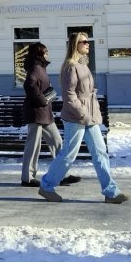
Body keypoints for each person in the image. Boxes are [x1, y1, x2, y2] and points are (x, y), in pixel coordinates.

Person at [37, 32, 129, 204]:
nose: (88, 44)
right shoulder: (71, 67)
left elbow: (86, 91)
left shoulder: (83, 65)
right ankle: (47, 186)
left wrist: (92, 109)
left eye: (88, 41)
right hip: (76, 117)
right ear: (75, 45)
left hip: (89, 116)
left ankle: (111, 192)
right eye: (84, 41)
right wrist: (82, 113)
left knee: (100, 152)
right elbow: (69, 95)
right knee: (69, 154)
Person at [20, 42, 81, 188]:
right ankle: (27, 178)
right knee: (33, 146)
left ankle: (61, 174)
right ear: (40, 54)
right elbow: (29, 85)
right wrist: (41, 99)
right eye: (46, 52)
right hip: (36, 113)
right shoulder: (35, 68)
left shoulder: (40, 67)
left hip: (44, 113)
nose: (48, 54)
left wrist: (47, 95)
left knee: (57, 142)